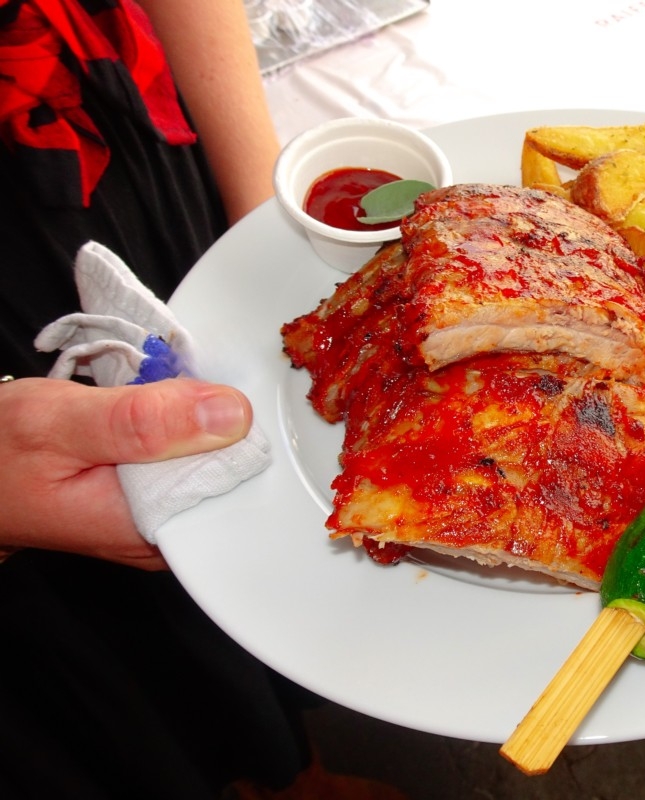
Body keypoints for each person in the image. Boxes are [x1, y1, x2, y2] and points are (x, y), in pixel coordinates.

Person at [0, 2, 398, 798]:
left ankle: (301, 771)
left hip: (125, 126)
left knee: (258, 518)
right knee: (103, 651)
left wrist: (262, 210)